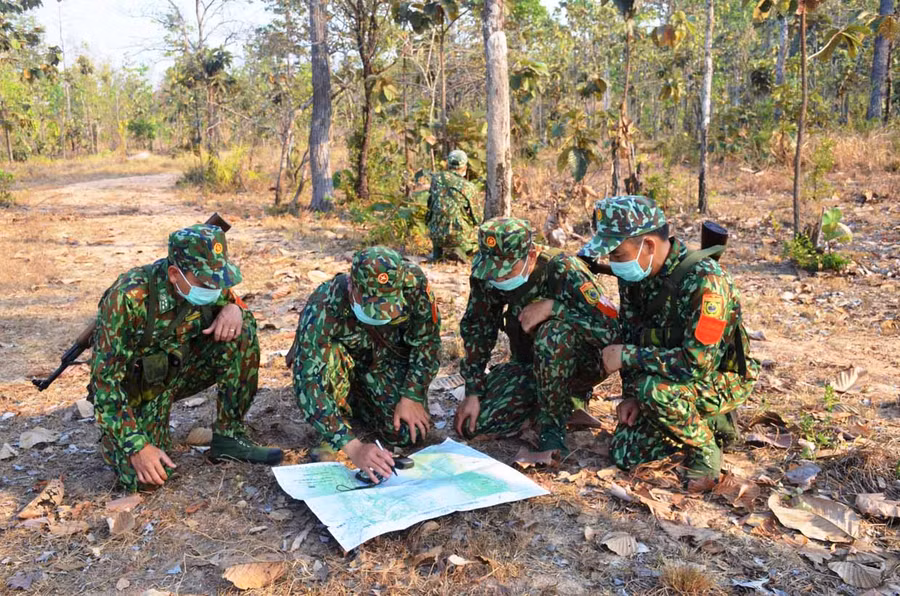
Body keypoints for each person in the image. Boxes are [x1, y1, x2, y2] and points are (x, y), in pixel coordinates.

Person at [89, 225, 283, 492]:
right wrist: (137, 447)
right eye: (206, 283)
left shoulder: (208, 282)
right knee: (146, 480)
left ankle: (229, 436)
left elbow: (232, 299)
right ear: (173, 274)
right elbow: (105, 384)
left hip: (178, 372)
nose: (214, 289)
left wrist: (235, 308)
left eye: (219, 281)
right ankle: (139, 436)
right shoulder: (128, 298)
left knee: (242, 329)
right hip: (140, 391)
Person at [579, 195, 759, 482]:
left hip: (719, 377)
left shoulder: (705, 282)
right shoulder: (636, 276)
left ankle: (704, 449)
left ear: (648, 245)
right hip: (665, 373)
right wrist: (630, 395)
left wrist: (627, 357)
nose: (613, 263)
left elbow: (697, 364)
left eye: (617, 254)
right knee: (626, 453)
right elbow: (632, 333)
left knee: (655, 392)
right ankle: (705, 420)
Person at [453, 218, 619, 458]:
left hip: (580, 366)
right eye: (492, 271)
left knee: (553, 333)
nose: (498, 279)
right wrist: (473, 392)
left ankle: (553, 427)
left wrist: (555, 309)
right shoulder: (487, 272)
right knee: (476, 425)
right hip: (530, 365)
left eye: (506, 270)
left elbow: (612, 331)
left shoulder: (563, 269)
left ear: (530, 255)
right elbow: (478, 328)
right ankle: (551, 404)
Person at [289, 247, 440, 483]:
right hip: (339, 367)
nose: (380, 314)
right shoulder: (324, 303)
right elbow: (308, 382)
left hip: (381, 367)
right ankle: (335, 428)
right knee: (330, 358)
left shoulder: (414, 285)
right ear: (352, 287)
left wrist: (412, 394)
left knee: (406, 434)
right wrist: (354, 448)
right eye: (372, 304)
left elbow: (427, 342)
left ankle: (361, 404)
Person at [426, 149, 480, 262]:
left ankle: (438, 252)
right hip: (458, 236)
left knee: (439, 219)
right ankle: (460, 251)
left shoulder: (436, 179)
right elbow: (477, 218)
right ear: (465, 166)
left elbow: (430, 205)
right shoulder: (468, 187)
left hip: (435, 234)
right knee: (476, 242)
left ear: (448, 164)